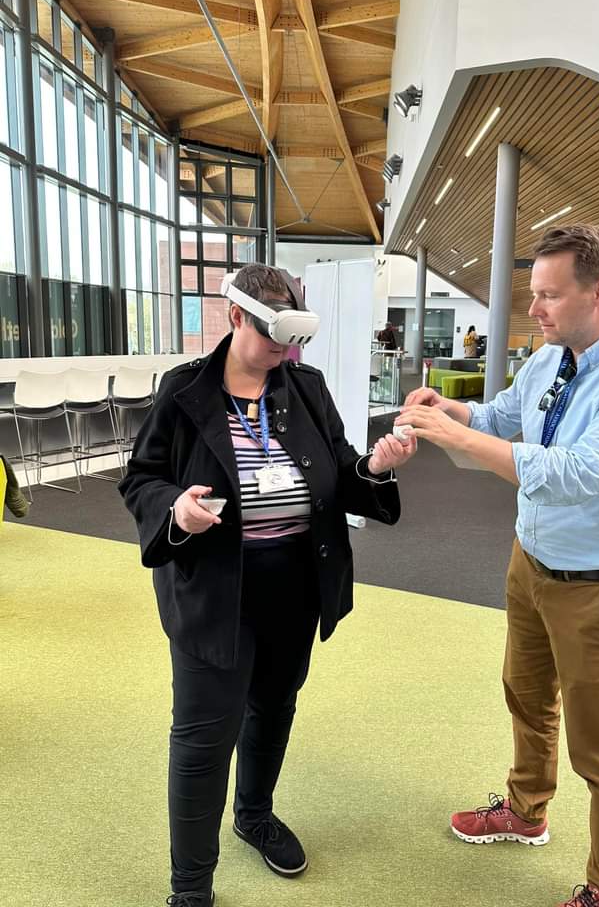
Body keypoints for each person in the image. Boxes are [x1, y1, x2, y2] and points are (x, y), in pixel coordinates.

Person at [396, 225, 599, 907]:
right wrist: (453, 408)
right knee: (526, 698)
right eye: (534, 294)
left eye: (550, 296)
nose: (536, 309)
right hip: (532, 564)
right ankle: (526, 812)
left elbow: (578, 473)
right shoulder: (551, 356)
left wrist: (457, 437)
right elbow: (502, 414)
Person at [119, 263, 416, 907]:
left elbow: (341, 472)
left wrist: (376, 467)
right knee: (203, 738)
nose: (284, 351)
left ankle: (254, 814)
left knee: (273, 709)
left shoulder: (304, 388)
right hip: (215, 593)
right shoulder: (183, 390)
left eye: (294, 338)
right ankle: (191, 889)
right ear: (233, 317)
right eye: (272, 335)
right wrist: (177, 509)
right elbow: (140, 478)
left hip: (294, 587)